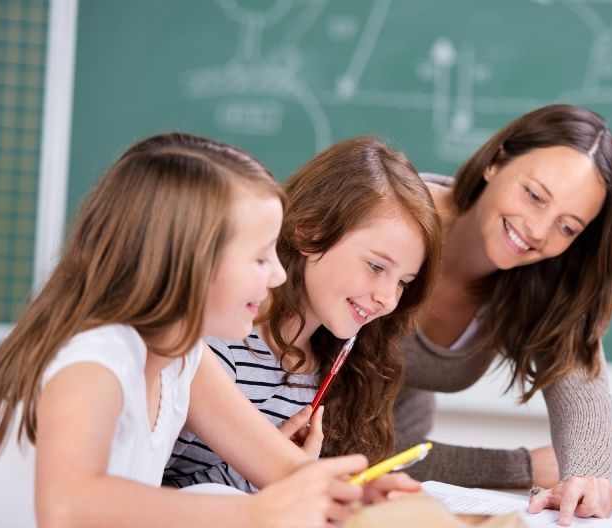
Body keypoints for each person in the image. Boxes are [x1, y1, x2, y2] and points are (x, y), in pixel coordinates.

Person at [0, 133, 411, 528]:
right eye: (260, 258)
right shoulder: (97, 359)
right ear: (192, 260)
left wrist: (354, 496)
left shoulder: (182, 356)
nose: (279, 275)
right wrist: (255, 513)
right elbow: (67, 509)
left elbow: (282, 465)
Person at [393, 104, 612, 525]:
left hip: (394, 463)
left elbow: (583, 393)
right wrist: (522, 467)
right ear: (496, 161)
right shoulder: (388, 220)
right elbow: (342, 442)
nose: (538, 231)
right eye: (534, 196)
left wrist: (587, 479)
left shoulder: (542, 278)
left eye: (568, 227)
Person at [164, 136, 442, 492]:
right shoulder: (219, 340)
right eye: (375, 267)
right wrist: (284, 475)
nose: (388, 299)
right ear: (311, 232)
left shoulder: (341, 368)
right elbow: (145, 490)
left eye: (403, 282)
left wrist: (285, 475)